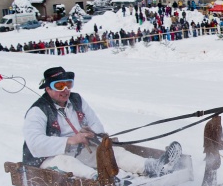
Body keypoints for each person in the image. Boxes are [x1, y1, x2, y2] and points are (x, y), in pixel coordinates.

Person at [23, 66, 181, 180]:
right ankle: (100, 181)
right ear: (47, 89)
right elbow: (35, 144)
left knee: (113, 153)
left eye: (68, 84)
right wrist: (70, 140)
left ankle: (153, 167)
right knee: (67, 162)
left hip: (79, 151)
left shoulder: (76, 100)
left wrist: (93, 133)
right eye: (58, 86)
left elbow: (95, 123)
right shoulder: (38, 111)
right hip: (48, 158)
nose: (65, 89)